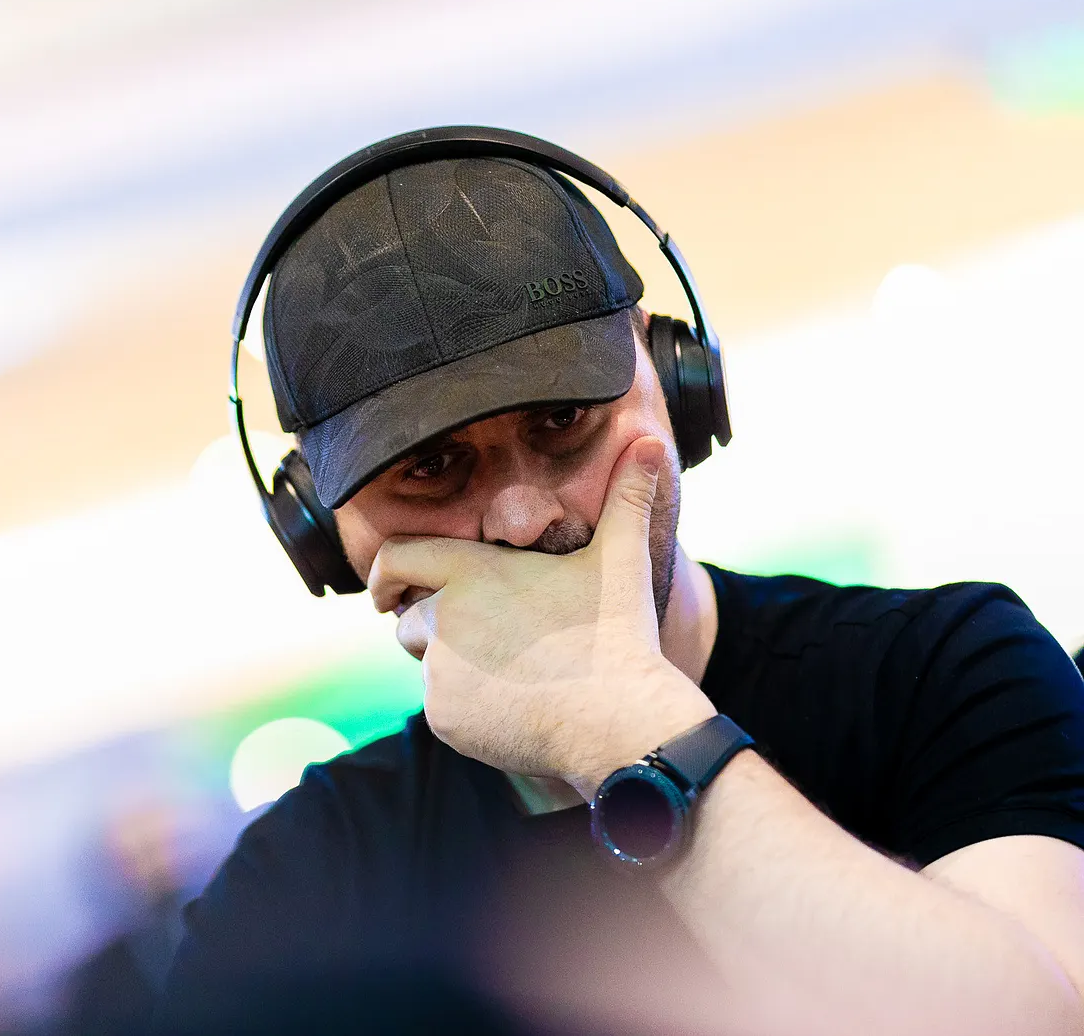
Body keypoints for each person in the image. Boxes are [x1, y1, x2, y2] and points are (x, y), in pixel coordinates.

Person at [154, 136, 1084, 1036]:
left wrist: (622, 724)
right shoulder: (294, 889)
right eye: (430, 468)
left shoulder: (943, 665)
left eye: (563, 419)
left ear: (674, 382)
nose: (522, 518)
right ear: (324, 529)